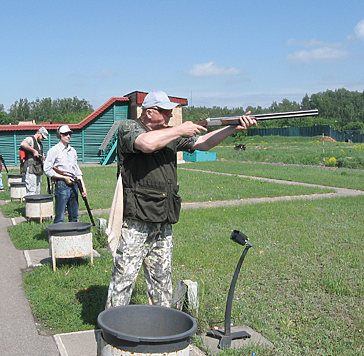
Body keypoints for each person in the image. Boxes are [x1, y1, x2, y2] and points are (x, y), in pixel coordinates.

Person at [105, 91, 257, 309]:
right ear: (149, 112)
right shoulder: (129, 127)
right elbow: (146, 144)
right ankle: (111, 330)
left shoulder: (169, 133)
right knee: (123, 280)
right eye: (165, 112)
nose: (170, 116)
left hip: (164, 218)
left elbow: (203, 142)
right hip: (137, 219)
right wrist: (179, 129)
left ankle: (161, 328)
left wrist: (233, 126)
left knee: (162, 282)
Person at [43, 125, 87, 223]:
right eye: (65, 134)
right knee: (60, 217)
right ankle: (58, 236)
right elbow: (47, 169)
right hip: (62, 184)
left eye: (69, 134)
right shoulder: (54, 150)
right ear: (60, 135)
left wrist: (82, 187)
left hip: (74, 183)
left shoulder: (73, 151)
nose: (68, 136)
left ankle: (73, 236)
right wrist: (63, 177)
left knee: (74, 215)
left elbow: (76, 170)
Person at [20, 127, 48, 196]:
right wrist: (33, 151)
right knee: (31, 190)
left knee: (37, 190)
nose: (43, 139)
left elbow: (42, 154)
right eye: (42, 137)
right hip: (31, 169)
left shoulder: (40, 144)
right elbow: (23, 144)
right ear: (39, 133)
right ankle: (30, 206)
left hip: (37, 169)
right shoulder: (30, 139)